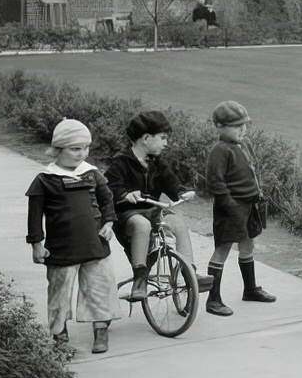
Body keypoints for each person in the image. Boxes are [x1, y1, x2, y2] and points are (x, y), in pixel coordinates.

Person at [26, 118, 118, 357]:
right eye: (75, 149)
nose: (81, 154)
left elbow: (107, 199)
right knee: (59, 294)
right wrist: (37, 244)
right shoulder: (45, 179)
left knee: (99, 289)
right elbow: (34, 217)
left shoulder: (92, 174)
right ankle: (60, 335)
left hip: (95, 244)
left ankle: (101, 330)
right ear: (58, 149)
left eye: (85, 148)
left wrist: (109, 222)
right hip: (61, 248)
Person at [105, 110, 209, 301]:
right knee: (142, 225)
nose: (166, 143)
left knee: (177, 223)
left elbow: (170, 182)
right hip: (127, 215)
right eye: (162, 138)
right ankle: (140, 279)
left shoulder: (157, 163)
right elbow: (109, 189)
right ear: (146, 138)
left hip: (152, 210)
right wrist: (125, 195)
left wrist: (180, 192)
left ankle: (189, 273)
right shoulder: (120, 163)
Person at [204, 101, 276, 317]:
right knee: (223, 249)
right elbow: (215, 183)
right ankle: (213, 298)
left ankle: (250, 289)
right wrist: (230, 204)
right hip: (230, 208)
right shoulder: (220, 150)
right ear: (219, 126)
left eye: (244, 125)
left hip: (248, 205)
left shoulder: (241, 146)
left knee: (248, 245)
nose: (242, 130)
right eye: (236, 126)